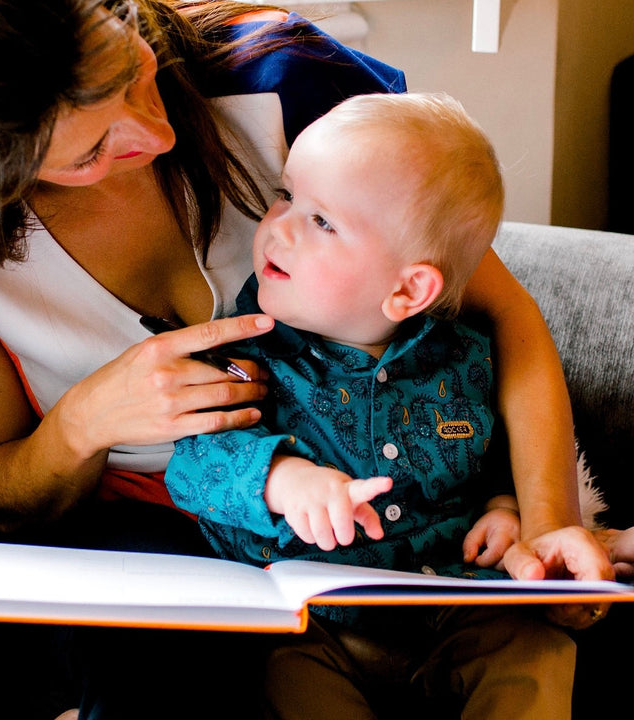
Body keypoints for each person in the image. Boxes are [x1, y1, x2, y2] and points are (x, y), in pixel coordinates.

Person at [0, 0, 610, 716]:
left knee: (532, 653)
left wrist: (539, 515)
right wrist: (83, 422)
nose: (157, 132)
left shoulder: (286, 79)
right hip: (162, 541)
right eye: (89, 153)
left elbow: (497, 319)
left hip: (419, 559)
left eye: (130, 69)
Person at [164, 92, 578, 718]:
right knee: (284, 678)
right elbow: (192, 463)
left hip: (447, 599)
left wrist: (503, 507)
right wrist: (280, 479)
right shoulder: (246, 352)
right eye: (286, 195)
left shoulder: (462, 359)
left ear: (409, 289)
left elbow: (488, 450)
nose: (278, 226)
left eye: (323, 222)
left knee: (537, 648)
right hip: (312, 622)